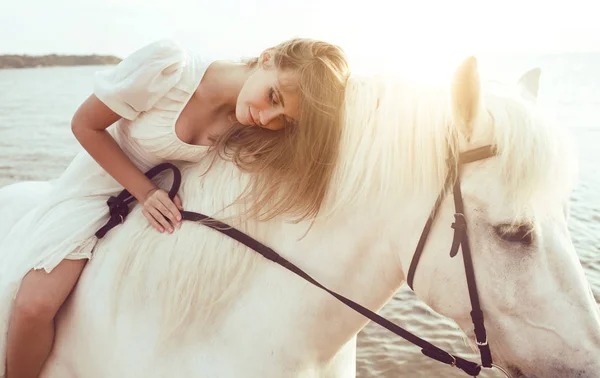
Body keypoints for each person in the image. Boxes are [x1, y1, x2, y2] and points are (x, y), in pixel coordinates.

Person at [0, 37, 349, 378]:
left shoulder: (250, 126)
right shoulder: (168, 67)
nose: (267, 116)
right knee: (36, 306)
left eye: (284, 119)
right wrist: (145, 192)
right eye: (274, 97)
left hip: (163, 200)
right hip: (97, 187)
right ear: (267, 57)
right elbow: (85, 125)